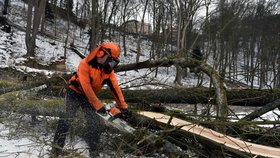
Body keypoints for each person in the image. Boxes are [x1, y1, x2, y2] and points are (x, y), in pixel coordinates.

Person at [51, 42, 129, 157]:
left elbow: (115, 88)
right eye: (110, 60)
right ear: (101, 53)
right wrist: (98, 105)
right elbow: (86, 87)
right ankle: (56, 150)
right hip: (73, 92)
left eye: (113, 61)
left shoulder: (107, 70)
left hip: (89, 97)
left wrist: (123, 107)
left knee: (94, 124)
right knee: (65, 120)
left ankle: (94, 152)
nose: (110, 64)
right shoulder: (85, 64)